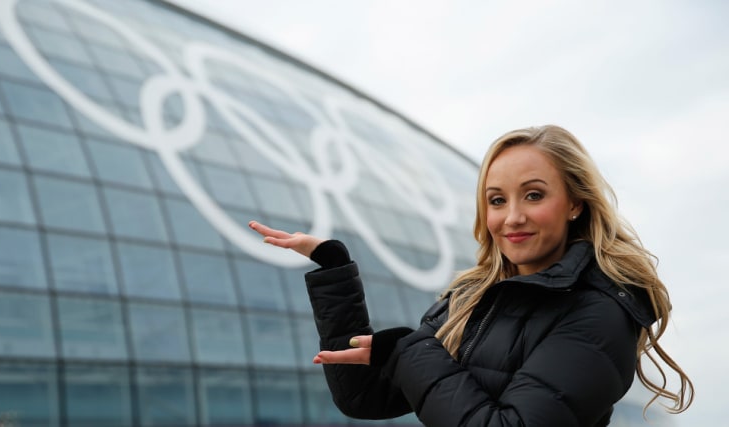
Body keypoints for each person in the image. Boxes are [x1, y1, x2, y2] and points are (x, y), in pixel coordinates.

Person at [248, 125, 693, 426]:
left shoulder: (599, 312)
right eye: (496, 200)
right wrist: (334, 272)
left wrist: (406, 348)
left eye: (533, 195)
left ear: (575, 203)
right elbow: (363, 398)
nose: (512, 217)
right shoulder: (474, 296)